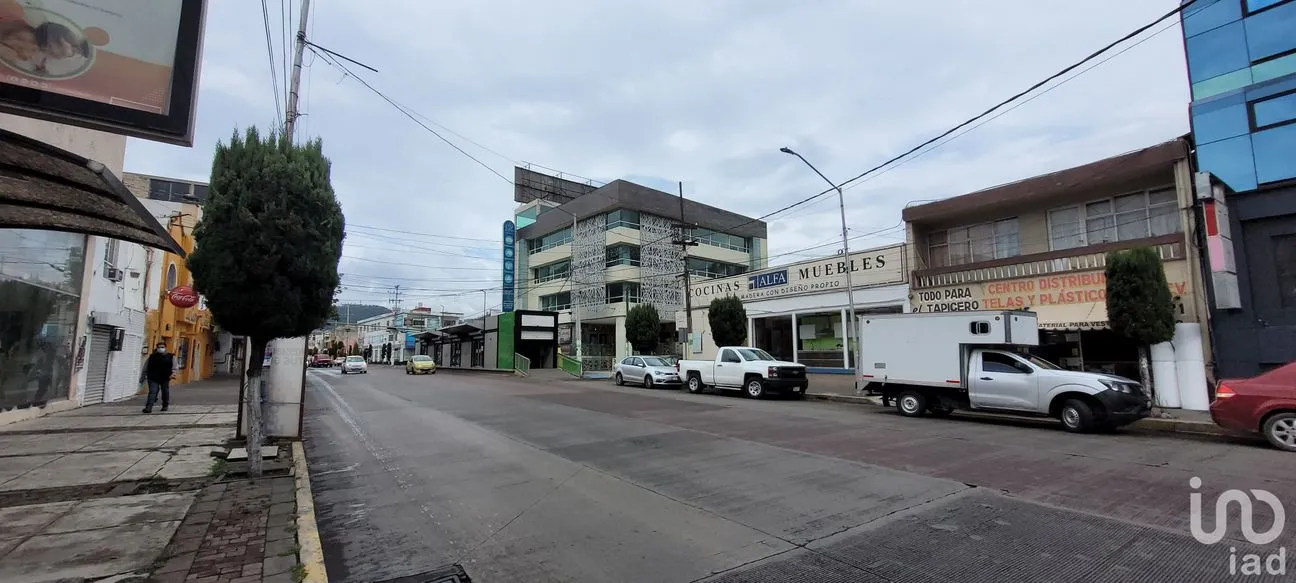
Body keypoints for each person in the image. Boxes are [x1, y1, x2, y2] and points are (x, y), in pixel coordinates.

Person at [140, 342, 175, 413]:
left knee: (165, 391)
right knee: (153, 391)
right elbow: (146, 367)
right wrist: (143, 377)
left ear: (165, 348)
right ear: (157, 348)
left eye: (162, 347)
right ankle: (148, 407)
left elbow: (174, 366)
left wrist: (173, 374)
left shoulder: (171, 356)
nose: (160, 349)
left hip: (165, 377)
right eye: (159, 347)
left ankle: (165, 405)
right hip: (153, 377)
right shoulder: (152, 356)